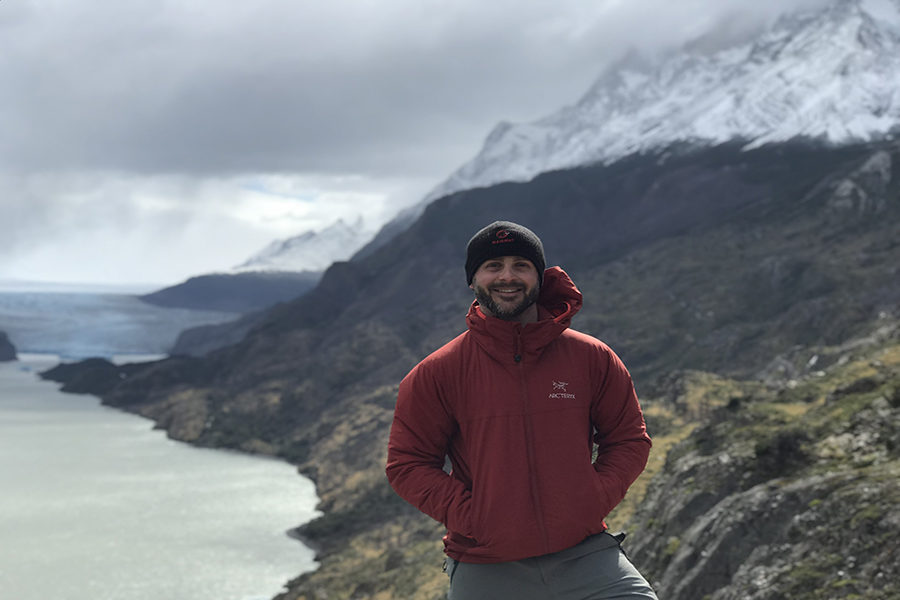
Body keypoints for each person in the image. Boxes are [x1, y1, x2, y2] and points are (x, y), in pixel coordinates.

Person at [385, 221, 657, 600]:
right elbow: (408, 464)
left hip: (585, 555)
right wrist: (477, 517)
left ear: (539, 277)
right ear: (473, 279)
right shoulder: (437, 373)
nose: (507, 276)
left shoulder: (592, 358)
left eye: (521, 265)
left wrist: (590, 499)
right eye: (493, 265)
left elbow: (629, 439)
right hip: (486, 563)